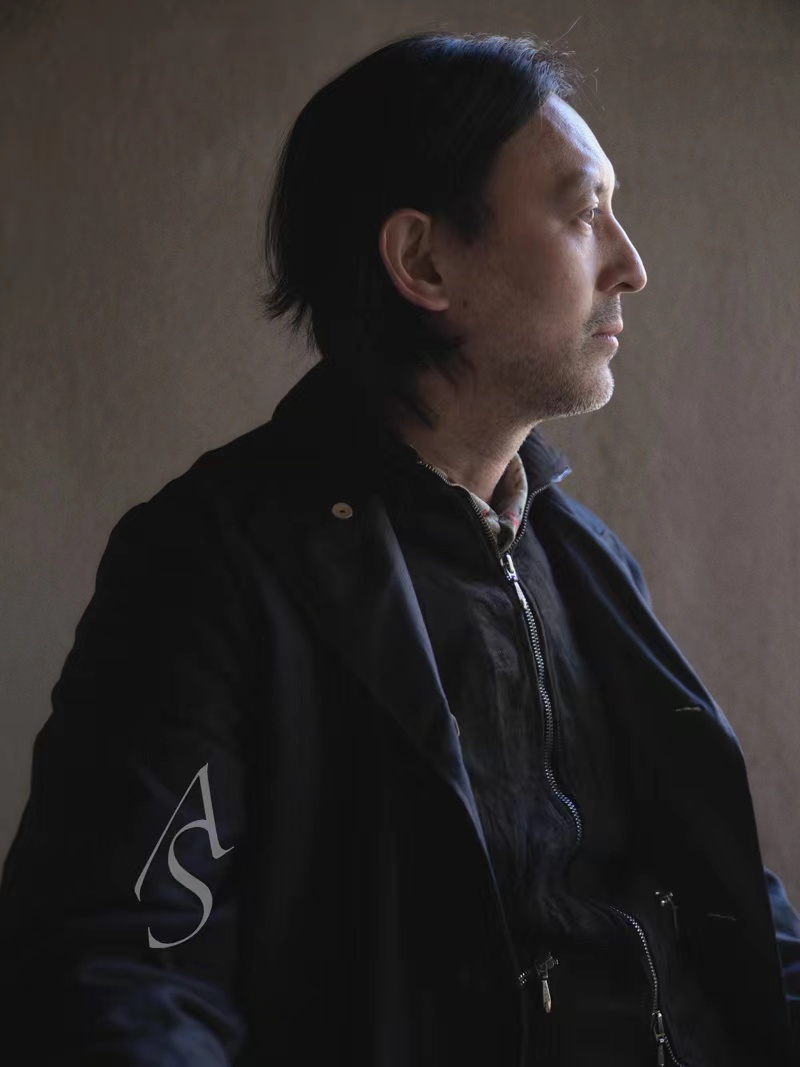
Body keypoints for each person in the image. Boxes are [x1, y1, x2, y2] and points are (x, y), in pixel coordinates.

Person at [0, 28, 798, 1067]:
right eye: (582, 212)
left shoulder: (580, 557)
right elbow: (111, 971)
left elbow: (735, 915)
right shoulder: (213, 563)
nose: (630, 265)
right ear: (423, 261)